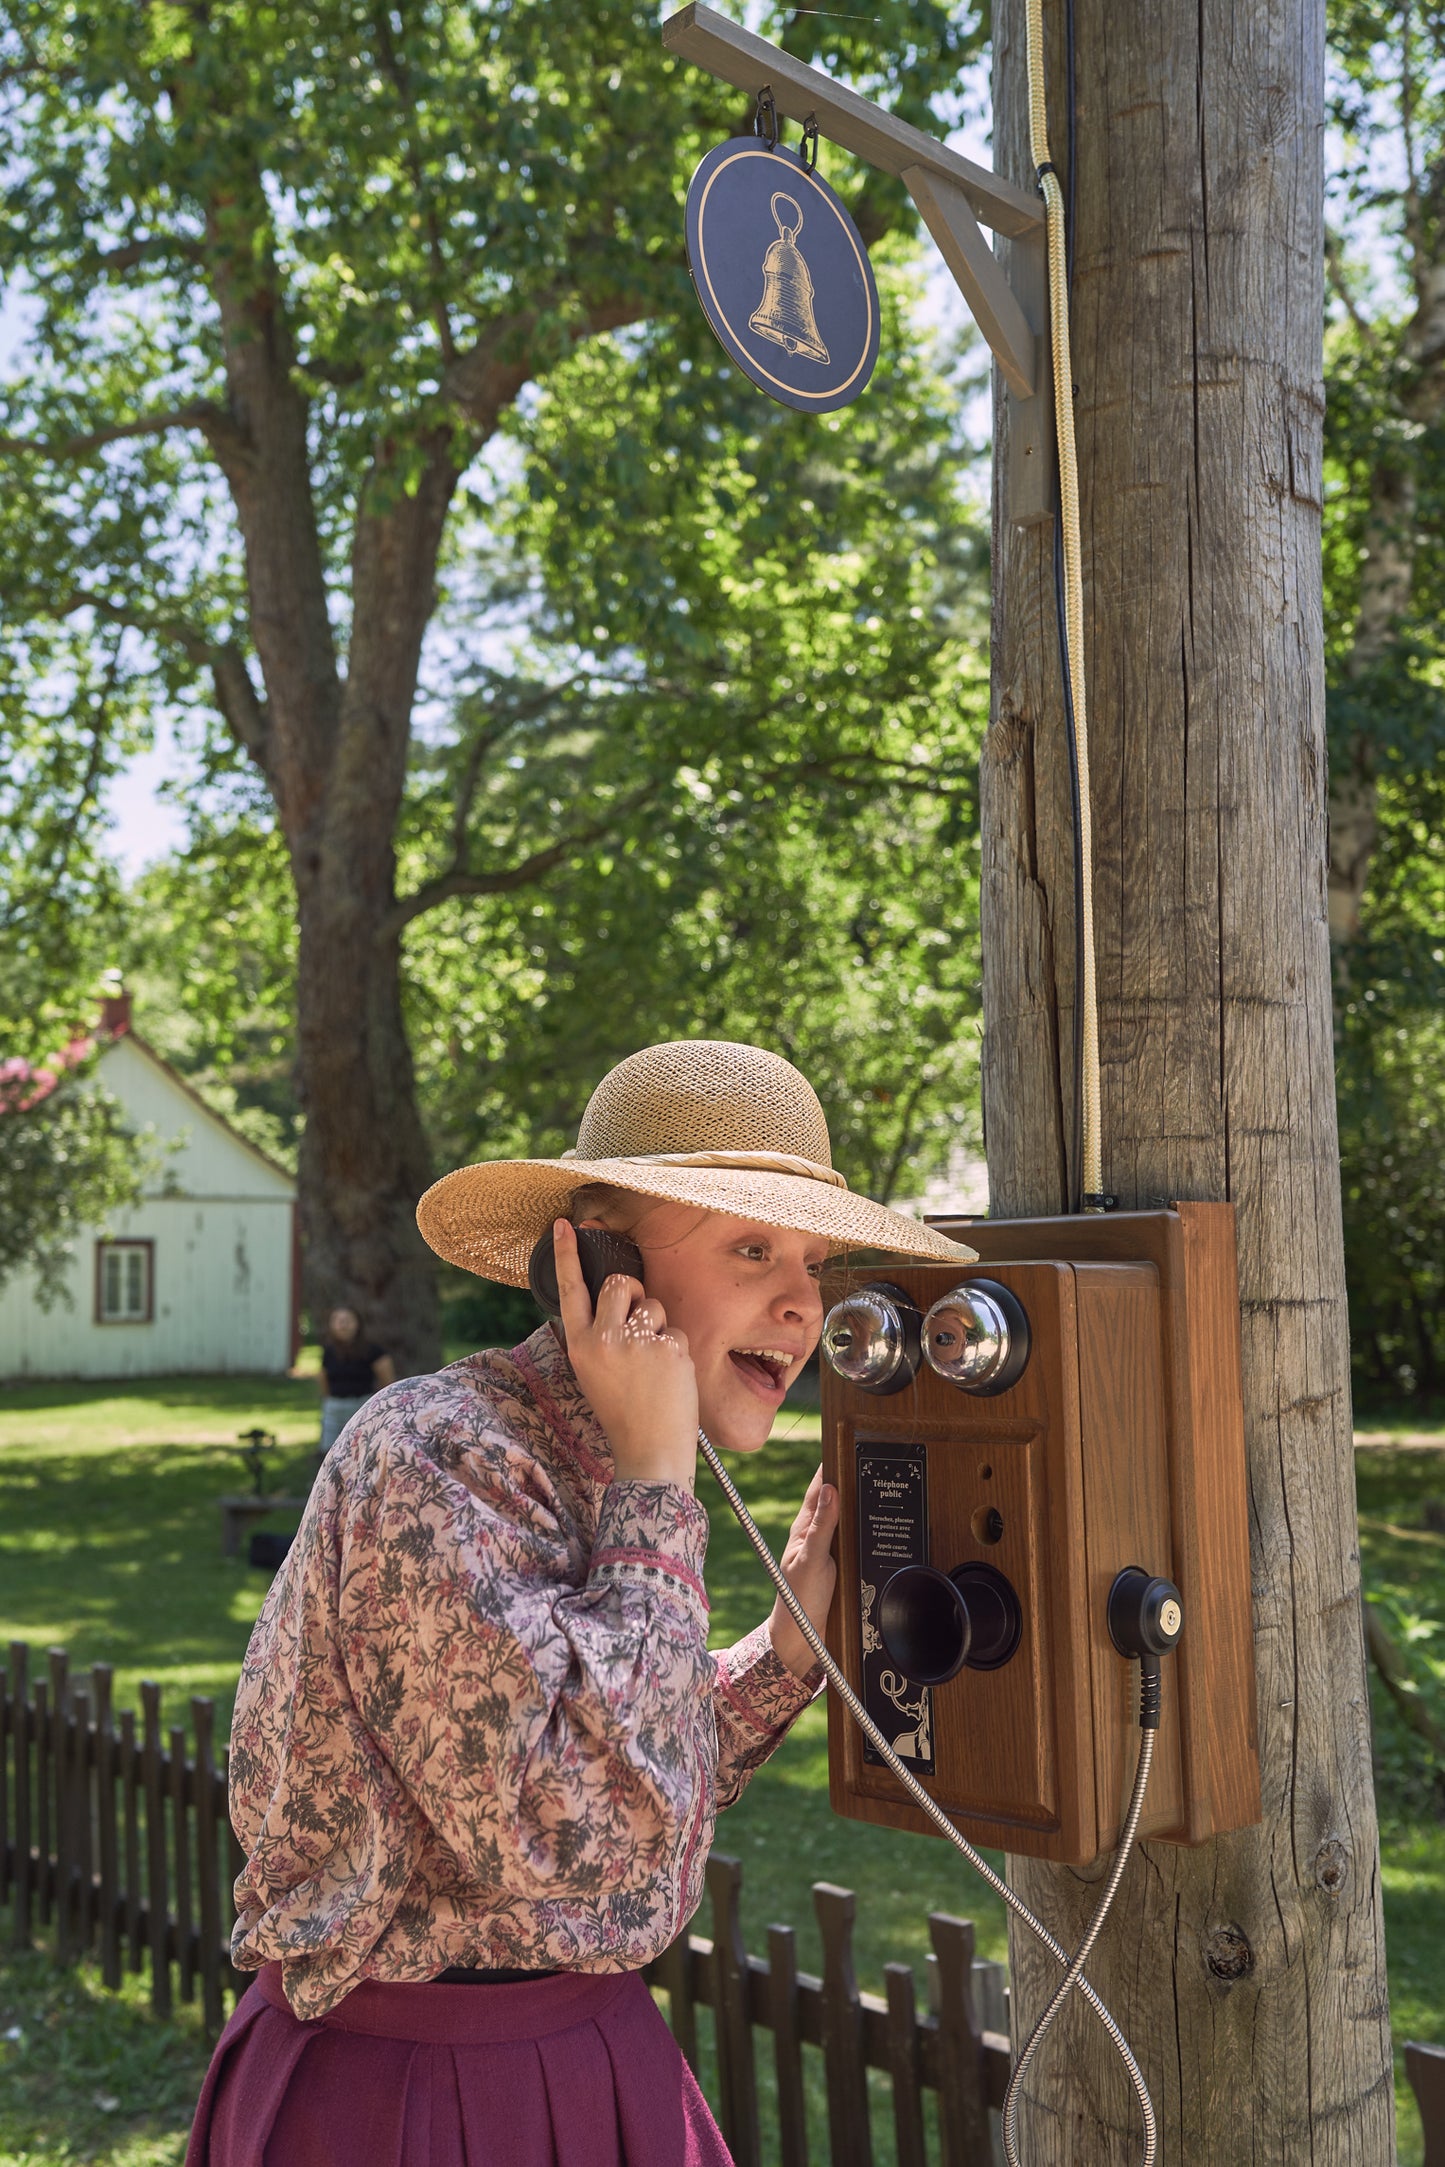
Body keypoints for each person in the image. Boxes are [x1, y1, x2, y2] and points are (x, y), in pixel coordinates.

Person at [186, 1039, 975, 2167]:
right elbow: (574, 1834)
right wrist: (656, 1488)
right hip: (408, 2093)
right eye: (751, 1247)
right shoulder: (439, 1456)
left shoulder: (604, 1460)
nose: (803, 1303)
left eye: (815, 1259)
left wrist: (785, 1652)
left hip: (588, 2052)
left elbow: (625, 1763)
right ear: (601, 1258)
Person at [317, 1305, 394, 1457]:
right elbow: (323, 1378)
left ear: (358, 1324)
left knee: (362, 1452)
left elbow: (387, 1382)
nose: (343, 1325)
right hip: (334, 1408)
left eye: (347, 1320)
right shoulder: (329, 1351)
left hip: (362, 1407)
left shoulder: (372, 1351)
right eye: (338, 1320)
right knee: (330, 1453)